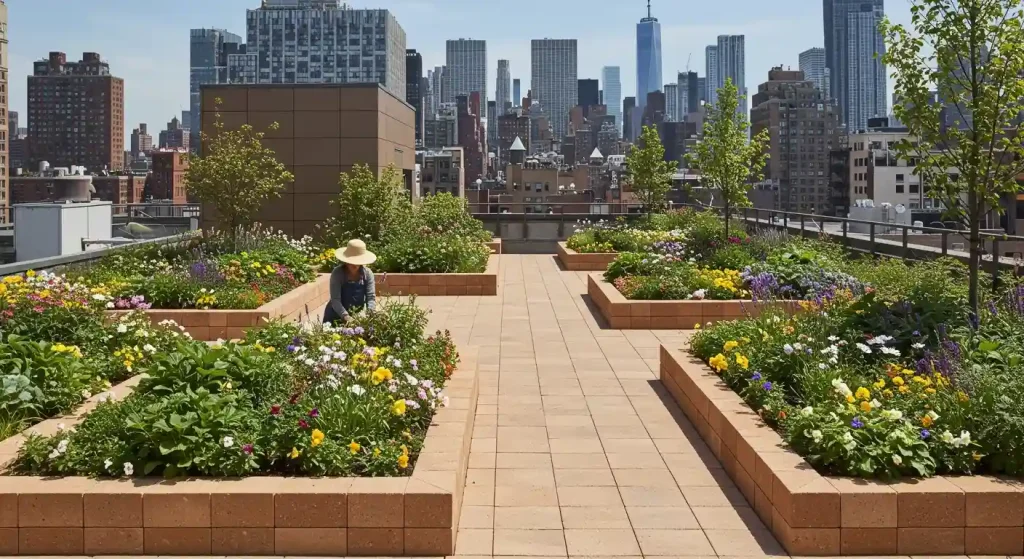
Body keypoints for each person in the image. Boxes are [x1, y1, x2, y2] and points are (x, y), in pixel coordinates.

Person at [324, 239, 377, 324]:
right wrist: (346, 316)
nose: (355, 265)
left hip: (355, 315)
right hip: (335, 315)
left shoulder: (367, 274)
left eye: (357, 261)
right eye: (352, 261)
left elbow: (370, 297)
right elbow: (335, 300)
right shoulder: (338, 273)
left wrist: (371, 313)